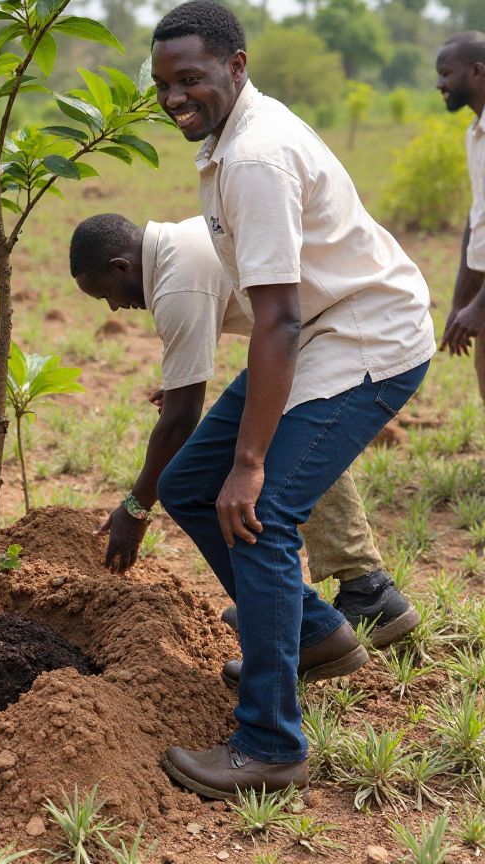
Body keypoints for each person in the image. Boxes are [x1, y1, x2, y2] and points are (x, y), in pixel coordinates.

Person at [148, 1, 435, 798]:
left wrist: (250, 462)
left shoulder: (254, 159)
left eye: (192, 79)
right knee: (186, 486)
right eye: (164, 83)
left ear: (236, 67)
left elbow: (277, 317)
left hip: (365, 341)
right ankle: (311, 634)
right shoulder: (229, 139)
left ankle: (271, 744)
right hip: (319, 334)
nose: (176, 97)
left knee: (260, 513)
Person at [69, 212, 419, 649]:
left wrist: (136, 507)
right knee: (287, 434)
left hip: (352, 330)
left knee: (261, 462)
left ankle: (295, 609)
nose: (114, 308)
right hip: (323, 323)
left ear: (121, 267)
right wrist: (180, 383)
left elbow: (179, 421)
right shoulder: (178, 245)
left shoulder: (177, 282)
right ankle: (358, 590)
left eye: (106, 295)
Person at [436, 32, 485, 392]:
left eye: (446, 73)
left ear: (478, 71)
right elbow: (477, 218)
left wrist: (478, 307)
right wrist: (460, 302)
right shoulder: (475, 133)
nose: (440, 84)